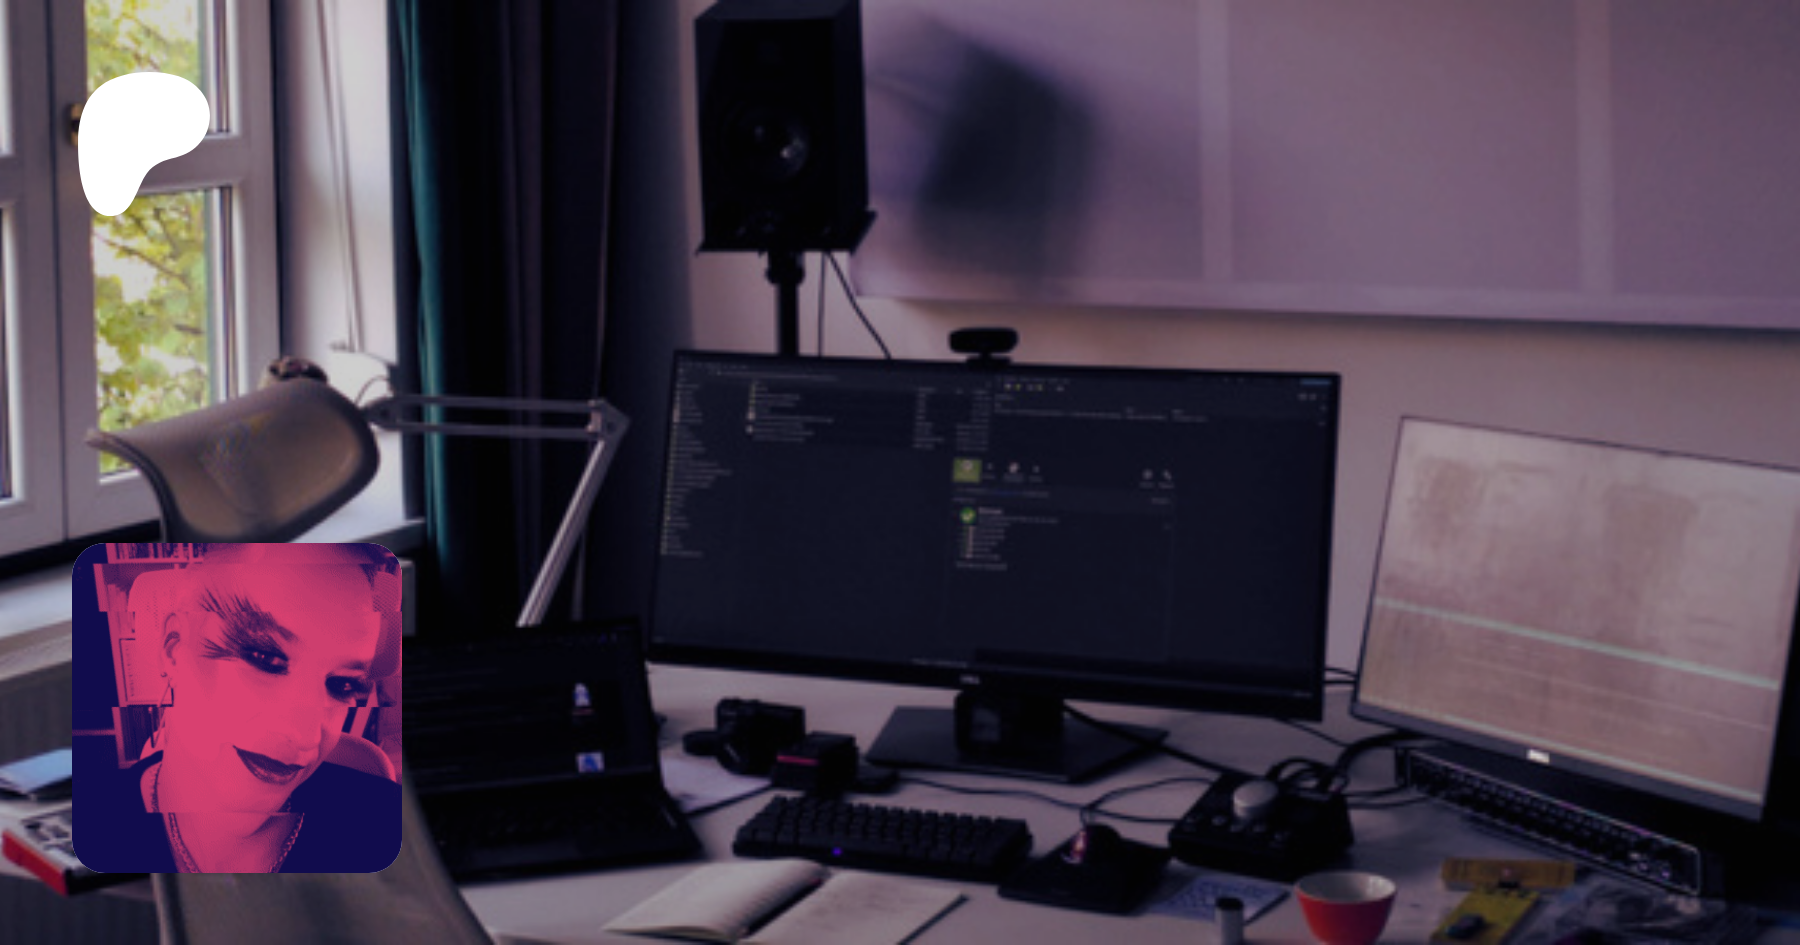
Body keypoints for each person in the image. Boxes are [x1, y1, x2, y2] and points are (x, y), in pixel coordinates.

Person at [75, 543, 402, 874]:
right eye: (265, 659)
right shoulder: (90, 828)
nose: (305, 736)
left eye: (342, 685)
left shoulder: (384, 825)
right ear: (174, 648)